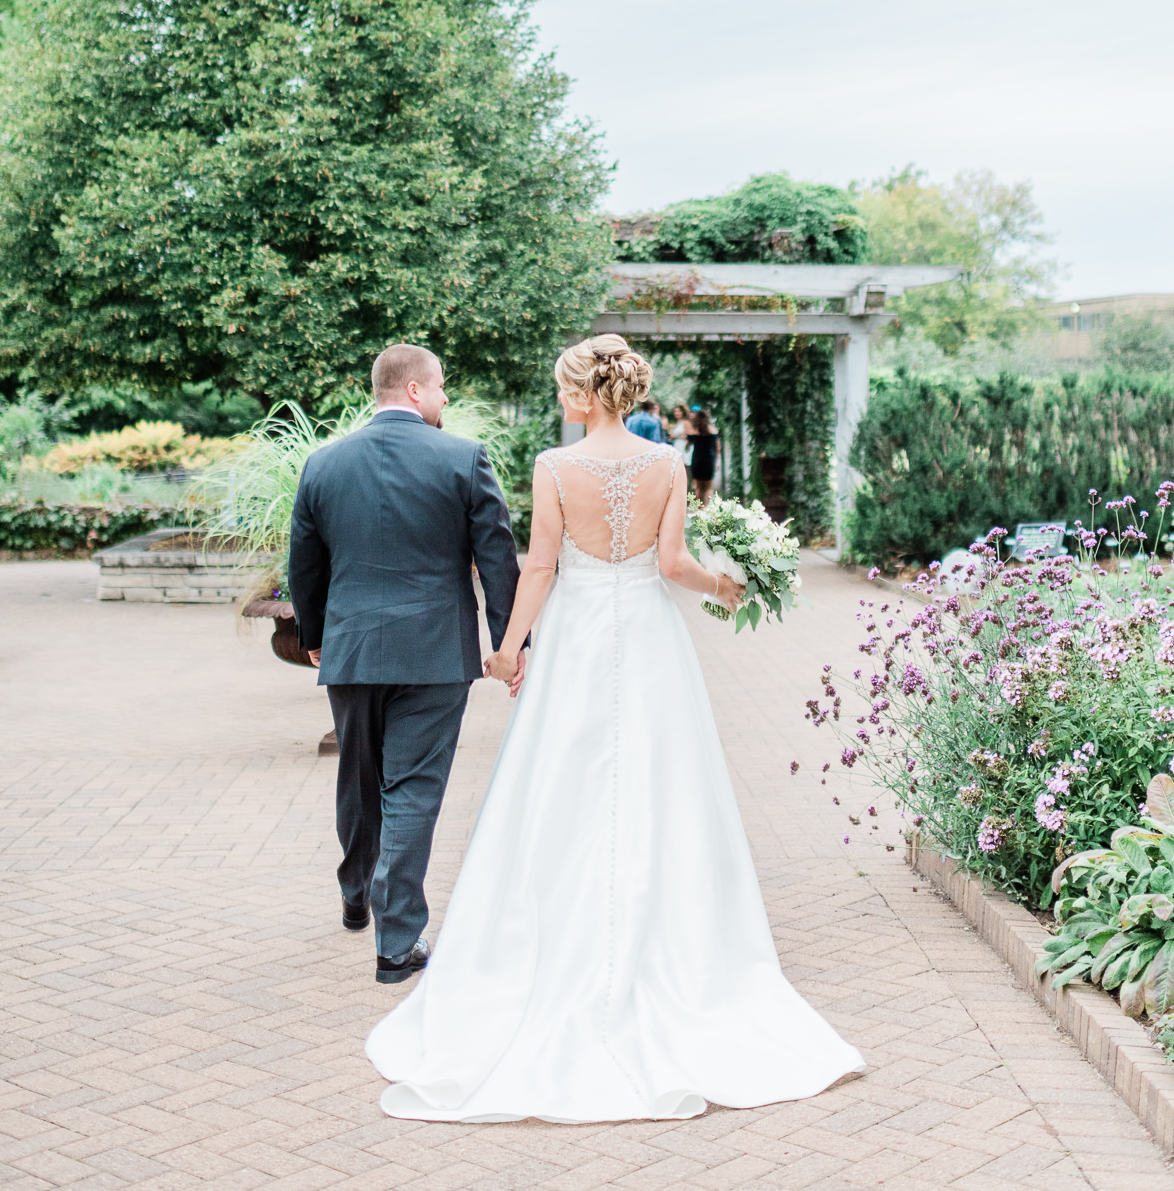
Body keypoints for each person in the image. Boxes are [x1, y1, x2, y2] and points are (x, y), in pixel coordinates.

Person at [364, 333, 863, 1122]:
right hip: (652, 636)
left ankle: (550, 943)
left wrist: (508, 647)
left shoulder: (555, 468)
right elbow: (671, 565)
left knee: (561, 781)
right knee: (665, 782)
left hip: (579, 633)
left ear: (583, 395)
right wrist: (728, 589)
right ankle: (677, 945)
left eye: (566, 387)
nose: (563, 397)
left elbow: (539, 566)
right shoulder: (666, 464)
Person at [287, 343, 521, 983]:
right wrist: (510, 646)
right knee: (412, 789)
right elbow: (498, 560)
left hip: (353, 649)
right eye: (441, 387)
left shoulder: (322, 465)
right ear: (415, 391)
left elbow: (304, 563)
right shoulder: (463, 458)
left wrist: (315, 635)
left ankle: (355, 886)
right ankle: (397, 944)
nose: (446, 398)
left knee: (359, 780)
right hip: (435, 654)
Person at [688, 407, 720, 504]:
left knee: (698, 488)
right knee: (708, 488)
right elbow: (718, 449)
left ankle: (698, 510)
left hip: (697, 461)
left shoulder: (693, 432)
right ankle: (709, 510)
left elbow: (686, 446)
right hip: (709, 461)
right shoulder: (713, 431)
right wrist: (716, 463)